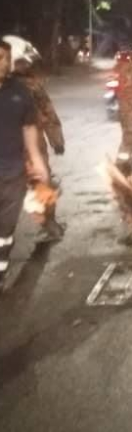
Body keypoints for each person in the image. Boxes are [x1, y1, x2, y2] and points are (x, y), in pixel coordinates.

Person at [0, 40, 50, 286]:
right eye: (0, 58)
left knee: (5, 228)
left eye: (6, 59)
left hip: (12, 172)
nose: (4, 63)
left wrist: (38, 161)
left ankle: (0, 270)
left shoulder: (19, 92)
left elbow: (29, 128)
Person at [13, 53, 65, 241]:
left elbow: (48, 112)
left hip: (31, 143)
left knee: (38, 183)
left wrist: (56, 139)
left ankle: (50, 224)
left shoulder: (32, 86)